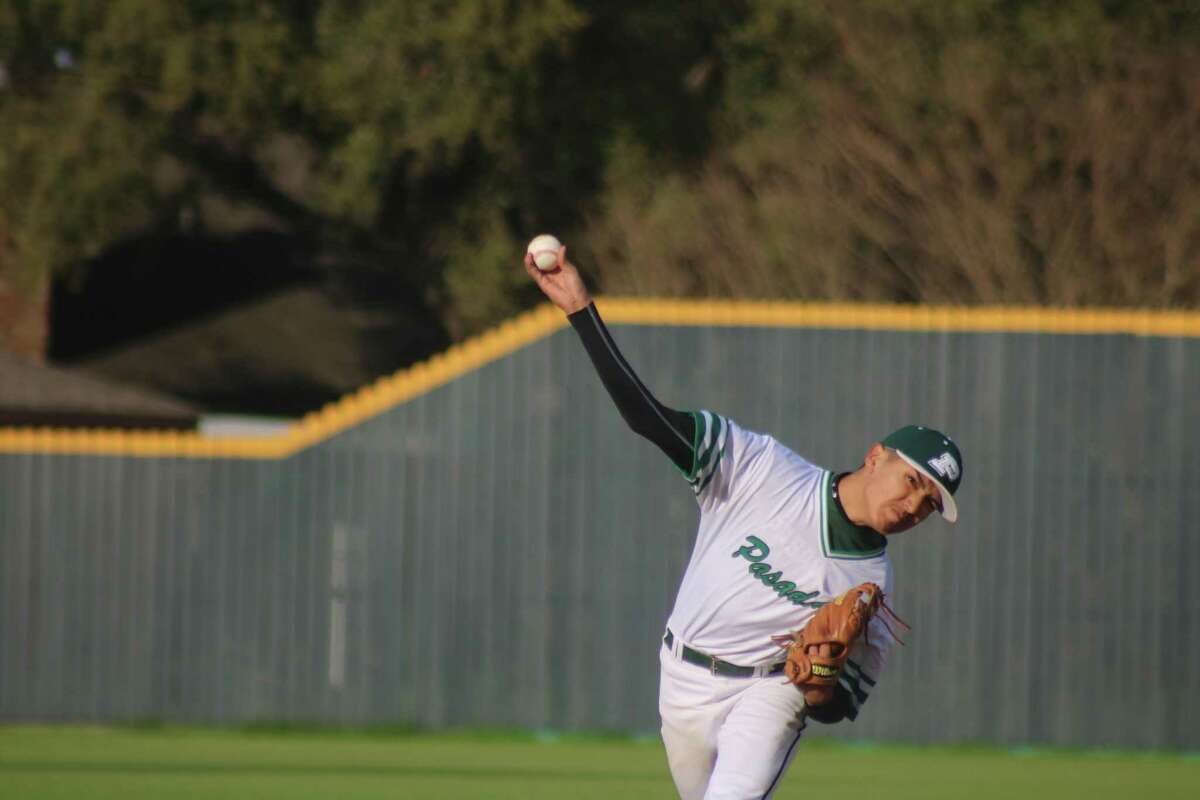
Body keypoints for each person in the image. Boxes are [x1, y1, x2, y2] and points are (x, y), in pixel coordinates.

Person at [524, 246, 964, 800]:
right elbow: (647, 419)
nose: (915, 504)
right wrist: (580, 310)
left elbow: (841, 704)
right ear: (876, 457)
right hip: (682, 677)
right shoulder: (760, 467)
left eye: (930, 503)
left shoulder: (874, 585)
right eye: (913, 481)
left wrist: (820, 689)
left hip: (770, 694)